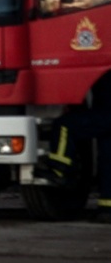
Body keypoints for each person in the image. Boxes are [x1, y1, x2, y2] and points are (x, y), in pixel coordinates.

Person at [39, 73, 111, 223]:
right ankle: (107, 209)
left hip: (106, 114)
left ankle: (59, 170)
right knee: (107, 159)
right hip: (105, 113)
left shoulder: (102, 63)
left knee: (65, 126)